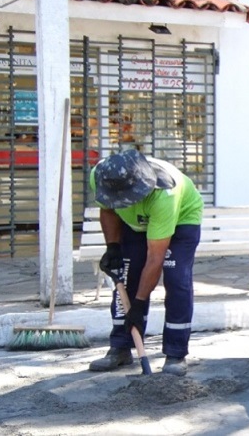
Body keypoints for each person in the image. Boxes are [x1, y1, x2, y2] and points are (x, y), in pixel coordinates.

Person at [87, 149, 204, 376]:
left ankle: (176, 353)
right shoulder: (101, 174)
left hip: (181, 222)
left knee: (176, 279)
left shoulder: (164, 194)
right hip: (135, 226)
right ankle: (121, 347)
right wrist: (113, 247)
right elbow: (108, 209)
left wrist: (139, 305)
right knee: (127, 276)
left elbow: (155, 258)